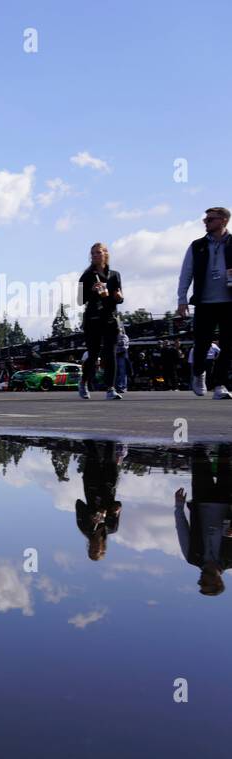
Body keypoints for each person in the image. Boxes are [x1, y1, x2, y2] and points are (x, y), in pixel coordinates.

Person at [177, 207, 232, 398]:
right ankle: (199, 373)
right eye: (205, 219)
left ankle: (220, 384)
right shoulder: (197, 245)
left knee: (228, 345)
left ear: (223, 220)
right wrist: (182, 299)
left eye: (210, 219)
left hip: (229, 302)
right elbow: (186, 273)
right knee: (202, 343)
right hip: (204, 302)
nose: (206, 222)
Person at [174, 443, 232, 596]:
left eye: (200, 584)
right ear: (218, 582)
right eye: (205, 584)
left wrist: (179, 507)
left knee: (198, 455)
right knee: (225, 459)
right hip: (227, 504)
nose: (200, 581)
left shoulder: (192, 557)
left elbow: (181, 530)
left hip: (201, 502)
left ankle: (201, 435)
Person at [78, 242, 124, 400]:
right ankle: (83, 382)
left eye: (98, 252)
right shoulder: (86, 276)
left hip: (110, 319)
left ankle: (110, 388)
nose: (95, 255)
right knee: (93, 355)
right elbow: (79, 300)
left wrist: (118, 297)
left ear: (105, 254)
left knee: (110, 354)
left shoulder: (115, 275)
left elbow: (119, 297)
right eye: (93, 253)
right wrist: (92, 291)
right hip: (93, 320)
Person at [75, 441, 123, 561]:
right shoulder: (112, 528)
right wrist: (116, 509)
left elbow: (79, 504)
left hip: (91, 483)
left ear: (88, 548)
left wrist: (91, 515)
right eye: (97, 551)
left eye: (91, 550)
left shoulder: (84, 527)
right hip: (109, 484)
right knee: (110, 448)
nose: (94, 548)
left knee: (92, 450)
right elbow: (118, 504)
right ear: (103, 549)